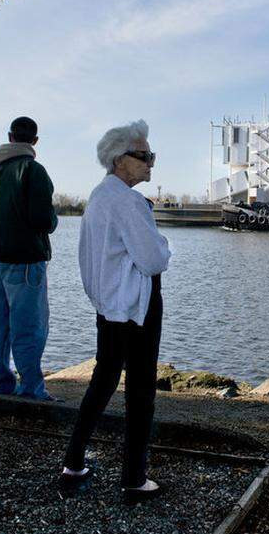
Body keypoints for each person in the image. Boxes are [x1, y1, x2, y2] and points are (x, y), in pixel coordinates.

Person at [61, 120, 170, 505]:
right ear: (119, 160)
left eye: (150, 155)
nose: (150, 163)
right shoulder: (128, 201)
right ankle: (134, 479)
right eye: (144, 156)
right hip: (136, 307)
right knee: (141, 391)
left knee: (102, 381)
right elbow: (154, 260)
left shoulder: (98, 196)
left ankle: (73, 461)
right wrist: (165, 244)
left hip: (108, 306)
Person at [0, 116, 58, 400]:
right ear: (34, 141)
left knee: (0, 322)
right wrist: (53, 221)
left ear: (9, 136)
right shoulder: (34, 171)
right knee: (29, 327)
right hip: (27, 261)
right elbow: (43, 220)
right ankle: (31, 388)